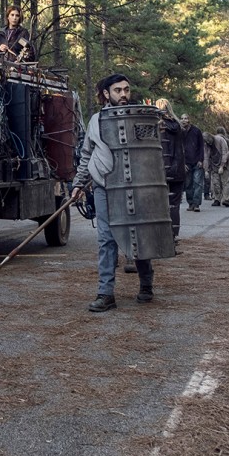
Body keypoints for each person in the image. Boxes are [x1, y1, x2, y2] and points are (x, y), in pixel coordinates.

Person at [69, 74, 159, 311]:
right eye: (118, 90)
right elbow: (87, 153)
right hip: (104, 187)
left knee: (138, 236)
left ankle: (146, 284)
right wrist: (78, 183)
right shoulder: (96, 121)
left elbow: (151, 152)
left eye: (126, 90)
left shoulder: (139, 117)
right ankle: (105, 293)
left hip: (135, 186)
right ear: (106, 94)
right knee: (106, 239)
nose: (124, 95)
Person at [155, 99, 187, 238]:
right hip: (178, 169)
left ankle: (164, 234)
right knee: (174, 204)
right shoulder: (178, 125)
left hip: (164, 169)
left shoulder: (160, 126)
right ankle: (172, 233)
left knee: (161, 203)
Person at [179, 113, 205, 212]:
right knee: (188, 184)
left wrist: (201, 160)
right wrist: (183, 163)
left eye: (185, 118)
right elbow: (179, 148)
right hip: (186, 162)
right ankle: (191, 203)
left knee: (198, 183)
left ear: (189, 120)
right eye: (182, 118)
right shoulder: (179, 132)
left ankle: (196, 204)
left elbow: (201, 146)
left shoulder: (196, 131)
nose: (183, 120)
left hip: (197, 161)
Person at [208, 127, 229, 207]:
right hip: (213, 165)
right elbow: (206, 155)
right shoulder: (206, 143)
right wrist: (206, 168)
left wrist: (222, 166)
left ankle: (226, 199)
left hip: (224, 164)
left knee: (225, 182)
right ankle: (217, 199)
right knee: (215, 183)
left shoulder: (221, 140)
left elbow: (225, 153)